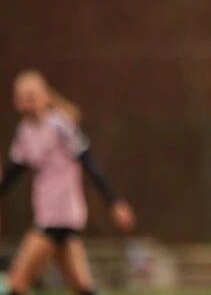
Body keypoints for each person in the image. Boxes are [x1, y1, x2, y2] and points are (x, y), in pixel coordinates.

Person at [0, 70, 136, 295]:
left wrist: (114, 202)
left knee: (18, 282)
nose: (28, 103)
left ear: (45, 97)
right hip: (46, 213)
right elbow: (13, 173)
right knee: (81, 286)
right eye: (23, 98)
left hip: (60, 214)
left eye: (32, 96)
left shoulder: (60, 126)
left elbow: (90, 164)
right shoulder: (24, 130)